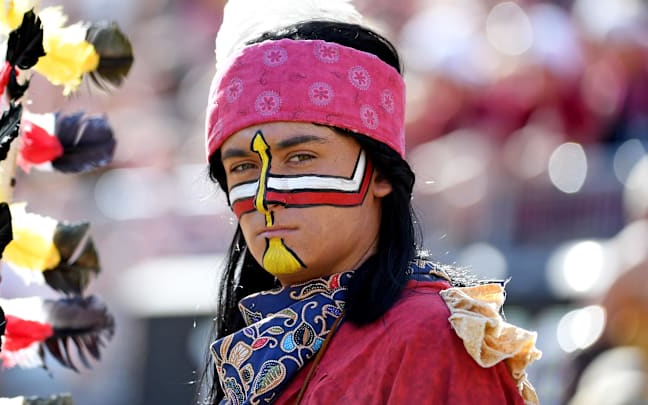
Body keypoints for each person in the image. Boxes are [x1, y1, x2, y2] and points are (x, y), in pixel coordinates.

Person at [199, 1, 541, 404]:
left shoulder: (430, 337)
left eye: (301, 157)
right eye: (242, 167)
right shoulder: (261, 347)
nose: (265, 196)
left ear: (379, 174)